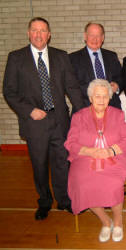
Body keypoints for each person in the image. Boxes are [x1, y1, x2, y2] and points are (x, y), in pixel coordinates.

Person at [3, 17, 84, 220]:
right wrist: (29, 110)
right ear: (29, 33)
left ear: (49, 34)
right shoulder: (16, 57)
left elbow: (72, 87)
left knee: (61, 163)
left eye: (43, 30)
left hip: (59, 120)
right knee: (39, 165)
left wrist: (83, 114)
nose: (39, 35)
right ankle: (44, 201)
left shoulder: (61, 56)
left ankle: (64, 200)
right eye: (35, 30)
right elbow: (9, 91)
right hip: (34, 123)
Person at [64, 79, 126, 242]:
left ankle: (117, 222)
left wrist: (110, 150)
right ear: (91, 98)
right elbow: (70, 142)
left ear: (109, 97)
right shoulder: (79, 116)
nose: (101, 100)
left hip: (113, 157)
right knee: (83, 183)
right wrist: (89, 151)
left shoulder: (118, 114)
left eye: (105, 96)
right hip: (86, 158)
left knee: (113, 184)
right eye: (97, 96)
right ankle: (105, 221)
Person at [69, 22, 123, 110]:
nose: (95, 39)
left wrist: (117, 85)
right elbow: (72, 86)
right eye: (91, 35)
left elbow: (121, 77)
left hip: (112, 108)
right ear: (85, 36)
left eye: (98, 35)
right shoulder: (73, 58)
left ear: (103, 38)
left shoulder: (112, 56)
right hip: (85, 109)